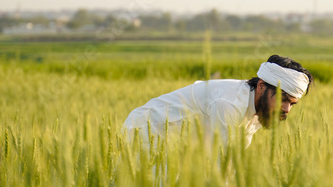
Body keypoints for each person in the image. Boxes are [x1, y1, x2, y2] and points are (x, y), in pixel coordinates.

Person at [122, 55, 313, 149]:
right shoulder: (230, 103)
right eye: (283, 99)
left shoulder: (257, 111)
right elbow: (221, 164)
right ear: (262, 86)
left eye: (292, 104)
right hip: (146, 132)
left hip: (175, 145)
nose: (286, 109)